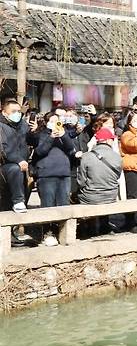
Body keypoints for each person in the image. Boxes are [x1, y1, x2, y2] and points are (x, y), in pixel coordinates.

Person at [33, 112, 77, 246]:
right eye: (52, 121)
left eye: (57, 121)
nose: (55, 123)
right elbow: (40, 151)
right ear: (46, 122)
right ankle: (48, 232)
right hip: (46, 174)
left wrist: (63, 134)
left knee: (63, 203)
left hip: (64, 173)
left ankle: (62, 232)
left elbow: (71, 148)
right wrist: (51, 136)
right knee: (48, 205)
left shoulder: (64, 134)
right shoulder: (41, 134)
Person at [77, 128, 123, 234]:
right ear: (108, 141)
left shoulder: (86, 156)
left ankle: (90, 228)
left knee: (83, 194)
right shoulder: (117, 157)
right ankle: (104, 226)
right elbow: (117, 176)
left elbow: (81, 181)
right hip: (111, 195)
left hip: (90, 197)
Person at [0, 98, 33, 213]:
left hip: (22, 167)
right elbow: (3, 149)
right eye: (13, 111)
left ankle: (17, 226)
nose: (17, 114)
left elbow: (32, 142)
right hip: (5, 166)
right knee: (14, 169)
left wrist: (35, 132)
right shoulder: (1, 126)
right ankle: (18, 201)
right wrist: (18, 160)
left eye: (19, 111)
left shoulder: (23, 125)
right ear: (4, 112)